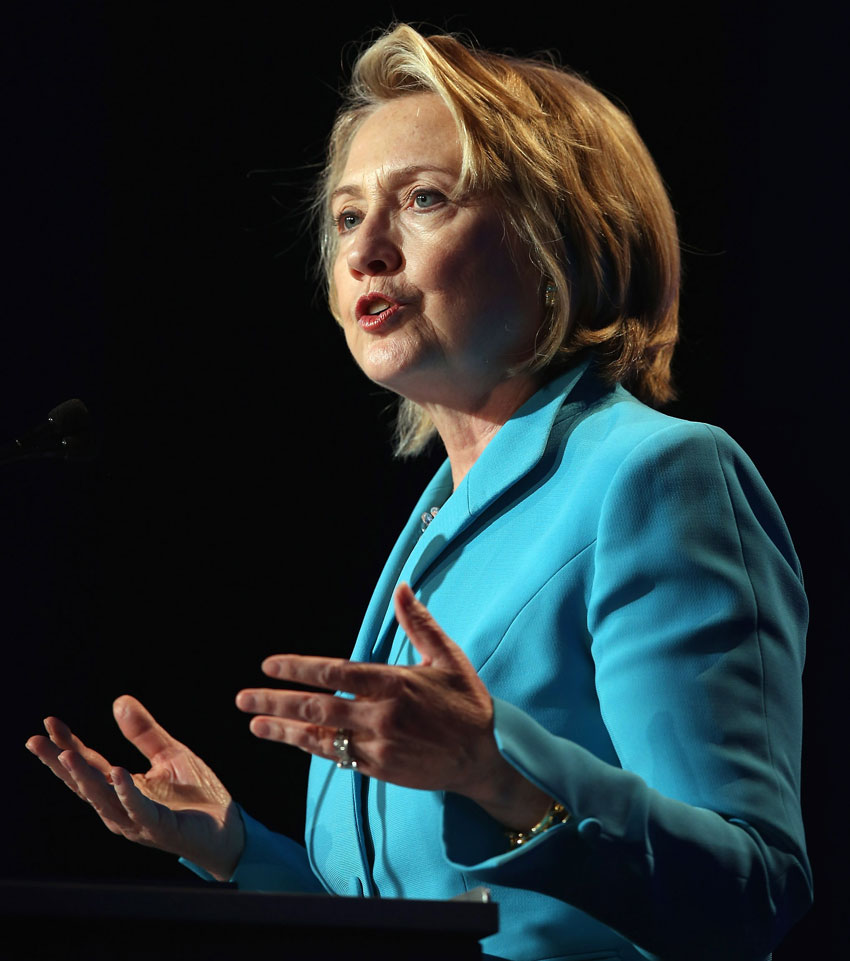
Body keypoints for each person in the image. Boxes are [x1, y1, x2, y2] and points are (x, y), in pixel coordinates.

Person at [26, 24, 812, 961]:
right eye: (349, 216)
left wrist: (502, 772)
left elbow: (753, 890)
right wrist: (235, 848)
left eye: (425, 199)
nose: (367, 251)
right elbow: (415, 913)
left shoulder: (655, 476)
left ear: (559, 234)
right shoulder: (443, 511)